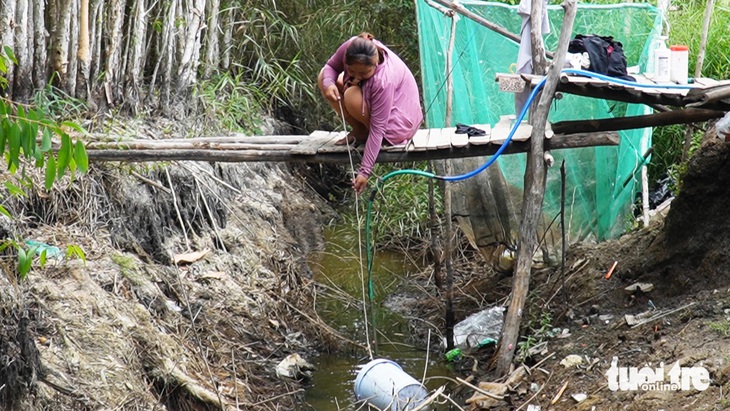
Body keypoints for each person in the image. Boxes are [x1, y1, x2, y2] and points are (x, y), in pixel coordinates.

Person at [318, 33, 423, 194]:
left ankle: (363, 132)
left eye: (363, 74)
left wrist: (364, 171)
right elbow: (331, 67)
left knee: (351, 94)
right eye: (352, 70)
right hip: (379, 110)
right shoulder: (352, 46)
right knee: (325, 78)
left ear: (375, 64)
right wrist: (328, 84)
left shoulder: (384, 80)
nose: (356, 76)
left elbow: (378, 128)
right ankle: (360, 131)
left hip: (398, 124)